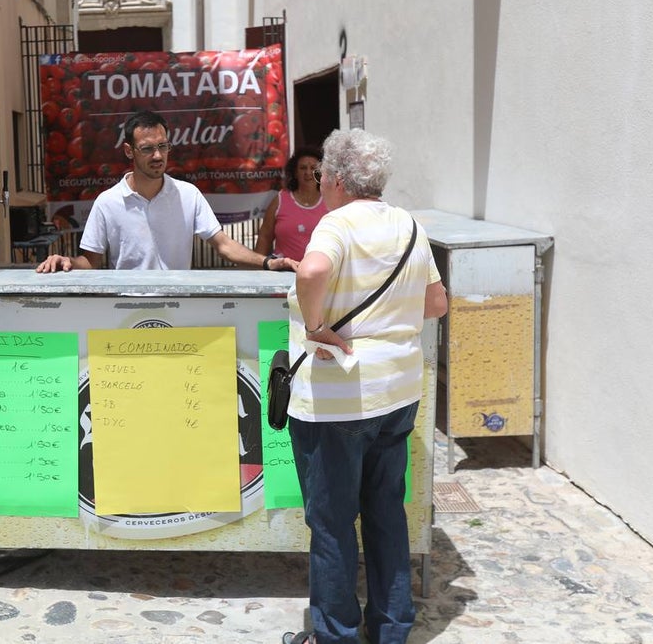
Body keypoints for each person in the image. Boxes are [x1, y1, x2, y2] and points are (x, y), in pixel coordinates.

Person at [282, 128, 448, 644]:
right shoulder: (409, 225)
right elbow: (437, 303)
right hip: (397, 395)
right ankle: (392, 628)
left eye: (320, 176)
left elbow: (311, 272)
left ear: (332, 178)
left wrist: (316, 327)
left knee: (332, 525)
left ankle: (335, 635)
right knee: (384, 513)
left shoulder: (336, 224)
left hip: (337, 400)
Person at [36, 110, 298, 273]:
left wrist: (267, 263)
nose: (158, 155)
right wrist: (66, 261)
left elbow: (224, 245)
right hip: (123, 313)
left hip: (179, 309)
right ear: (129, 151)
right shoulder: (108, 202)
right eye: (148, 148)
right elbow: (90, 262)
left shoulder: (188, 195)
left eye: (163, 146)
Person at [254, 145, 325, 262]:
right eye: (302, 168)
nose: (308, 172)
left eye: (313, 168)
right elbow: (265, 237)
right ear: (295, 173)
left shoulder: (330, 200)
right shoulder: (280, 200)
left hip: (320, 275)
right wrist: (257, 269)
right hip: (283, 274)